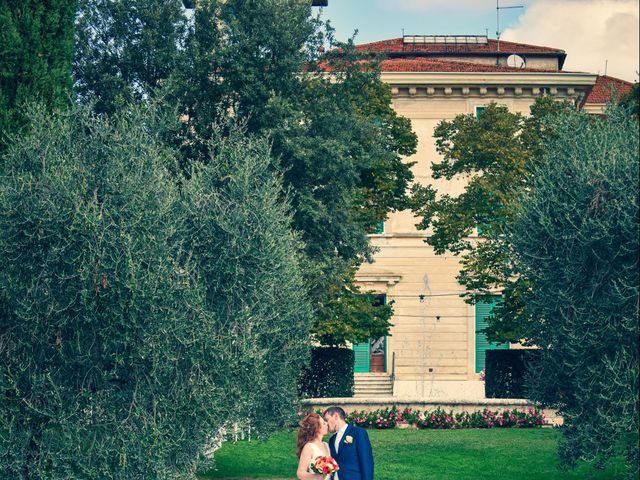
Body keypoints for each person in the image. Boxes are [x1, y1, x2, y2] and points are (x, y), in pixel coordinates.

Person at [324, 406, 374, 480]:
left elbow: (366, 462)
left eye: (326, 419)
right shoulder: (332, 440)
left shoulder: (358, 433)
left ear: (336, 416)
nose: (326, 423)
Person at [296, 412, 334, 480]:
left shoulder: (326, 445)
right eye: (323, 423)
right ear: (317, 429)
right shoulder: (309, 447)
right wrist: (316, 477)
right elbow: (300, 472)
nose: (326, 424)